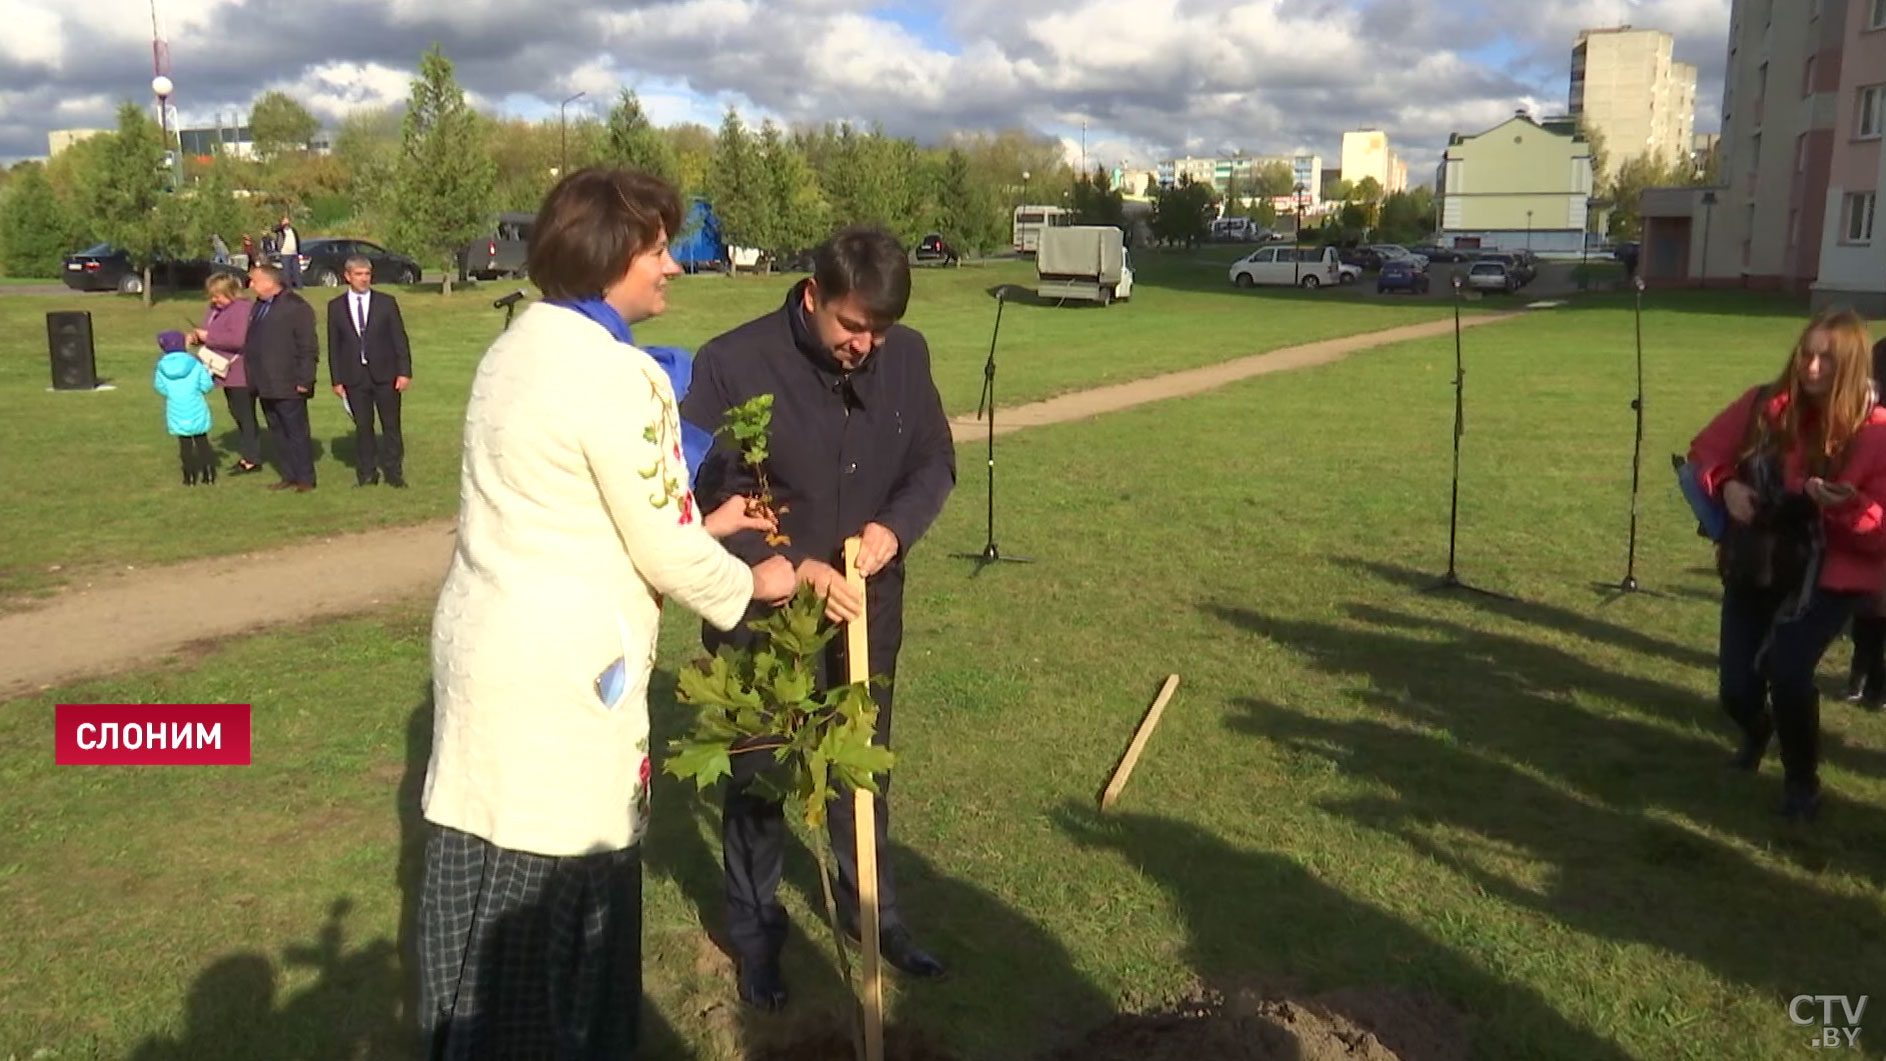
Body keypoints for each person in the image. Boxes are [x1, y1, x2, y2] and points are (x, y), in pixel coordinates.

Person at [416, 166, 798, 1059]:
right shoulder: (622, 374)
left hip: (486, 650)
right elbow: (663, 551)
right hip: (565, 682)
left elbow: (582, 509)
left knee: (483, 867)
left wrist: (710, 519)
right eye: (659, 249)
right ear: (612, 254)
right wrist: (758, 582)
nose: (671, 266)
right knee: (558, 893)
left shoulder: (516, 344)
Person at [682, 225, 957, 1011]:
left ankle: (878, 920)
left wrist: (892, 528)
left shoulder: (906, 358)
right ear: (813, 297)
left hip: (867, 609)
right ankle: (756, 938)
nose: (865, 346)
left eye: (880, 329)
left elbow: (933, 460)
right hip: (765, 614)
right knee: (760, 772)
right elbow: (697, 505)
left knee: (859, 765)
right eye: (852, 327)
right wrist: (783, 566)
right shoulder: (731, 365)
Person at [1687, 308, 1886, 822]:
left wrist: (1842, 504)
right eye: (1806, 353)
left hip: (1827, 572)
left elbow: (1879, 530)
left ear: (1849, 366)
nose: (1812, 367)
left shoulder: (1874, 432)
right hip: (1757, 561)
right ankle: (1756, 731)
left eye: (1826, 358)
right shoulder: (1762, 404)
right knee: (1735, 690)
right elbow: (1705, 451)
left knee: (1790, 671)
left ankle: (1803, 784)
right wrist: (1727, 484)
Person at [327, 256, 413, 487]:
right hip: (355, 376)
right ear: (347, 276)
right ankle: (367, 473)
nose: (363, 279)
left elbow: (399, 339)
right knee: (363, 427)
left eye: (367, 274)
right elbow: (334, 346)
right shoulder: (336, 307)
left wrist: (404, 372)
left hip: (386, 374)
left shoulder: (386, 303)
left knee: (391, 425)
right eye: (358, 274)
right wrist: (337, 379)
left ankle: (394, 472)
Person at [243, 262, 320, 491]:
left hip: (288, 381)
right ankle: (289, 474)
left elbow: (308, 347)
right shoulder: (259, 306)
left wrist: (305, 379)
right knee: (277, 430)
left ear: (269, 282)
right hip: (264, 381)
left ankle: (305, 477)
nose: (251, 284)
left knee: (296, 432)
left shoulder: (296, 307)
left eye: (254, 280)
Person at [188, 273, 263, 475]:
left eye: (218, 296)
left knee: (244, 415)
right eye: (212, 296)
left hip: (239, 370)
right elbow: (209, 332)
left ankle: (252, 458)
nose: (214, 300)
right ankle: (249, 454)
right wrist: (198, 337)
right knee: (237, 412)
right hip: (222, 371)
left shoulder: (241, 309)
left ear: (230, 292)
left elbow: (238, 340)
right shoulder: (215, 310)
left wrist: (209, 337)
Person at [1848, 333, 1886, 709]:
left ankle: (1876, 677)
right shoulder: (1881, 351)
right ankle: (1864, 670)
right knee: (1870, 591)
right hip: (1875, 477)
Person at [152, 330, 216, 486]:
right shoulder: (194, 364)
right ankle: (208, 475)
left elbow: (160, 387)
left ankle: (189, 477)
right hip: (196, 406)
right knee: (202, 442)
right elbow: (207, 386)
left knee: (185, 445)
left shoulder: (162, 367)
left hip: (176, 409)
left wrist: (174, 393)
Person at [275, 216, 302, 288]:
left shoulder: (293, 230)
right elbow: (274, 229)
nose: (287, 223)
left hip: (294, 253)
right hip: (285, 253)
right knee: (286, 271)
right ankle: (288, 286)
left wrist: (298, 251)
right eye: (285, 221)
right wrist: (282, 225)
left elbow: (297, 240)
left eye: (288, 221)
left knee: (296, 270)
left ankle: (299, 285)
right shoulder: (281, 231)